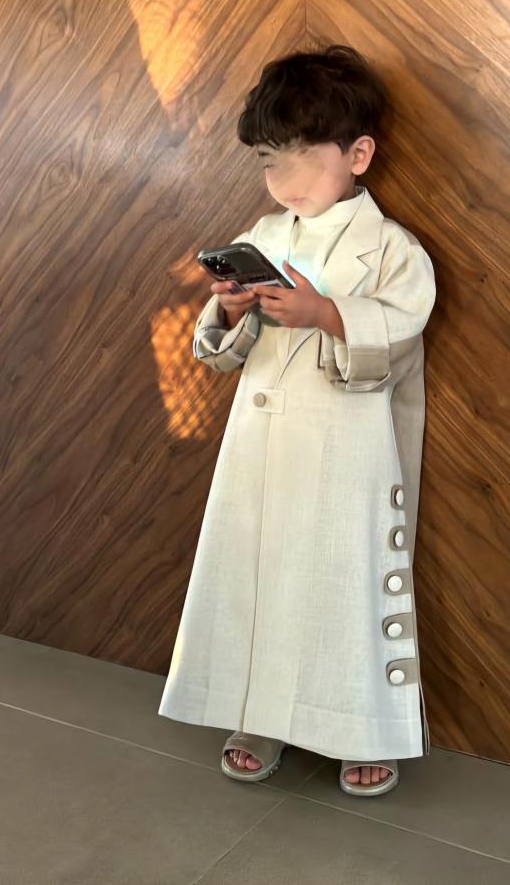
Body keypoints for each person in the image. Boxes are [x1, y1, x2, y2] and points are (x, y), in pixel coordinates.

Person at [158, 45, 436, 796]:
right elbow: (223, 355)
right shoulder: (265, 235)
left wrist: (325, 313)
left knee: (343, 580)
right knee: (258, 577)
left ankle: (361, 727)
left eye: (300, 158)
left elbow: (400, 333)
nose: (282, 181)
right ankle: (259, 714)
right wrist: (229, 309)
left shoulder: (392, 250)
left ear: (358, 154)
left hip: (346, 448)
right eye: (267, 162)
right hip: (261, 445)